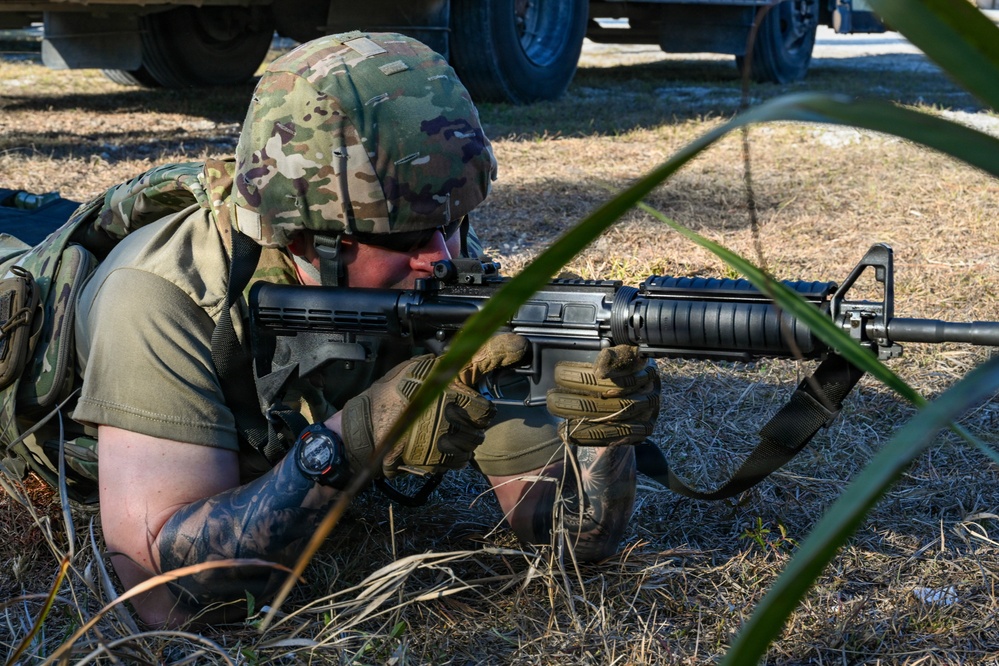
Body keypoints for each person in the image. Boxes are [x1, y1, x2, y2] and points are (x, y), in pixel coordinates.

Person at [62, 31, 660, 627]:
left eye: (455, 222)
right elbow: (166, 598)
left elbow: (562, 536)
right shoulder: (167, 295)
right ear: (301, 236)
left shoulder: (431, 252)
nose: (444, 256)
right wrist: (354, 440)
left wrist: (596, 439)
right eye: (404, 239)